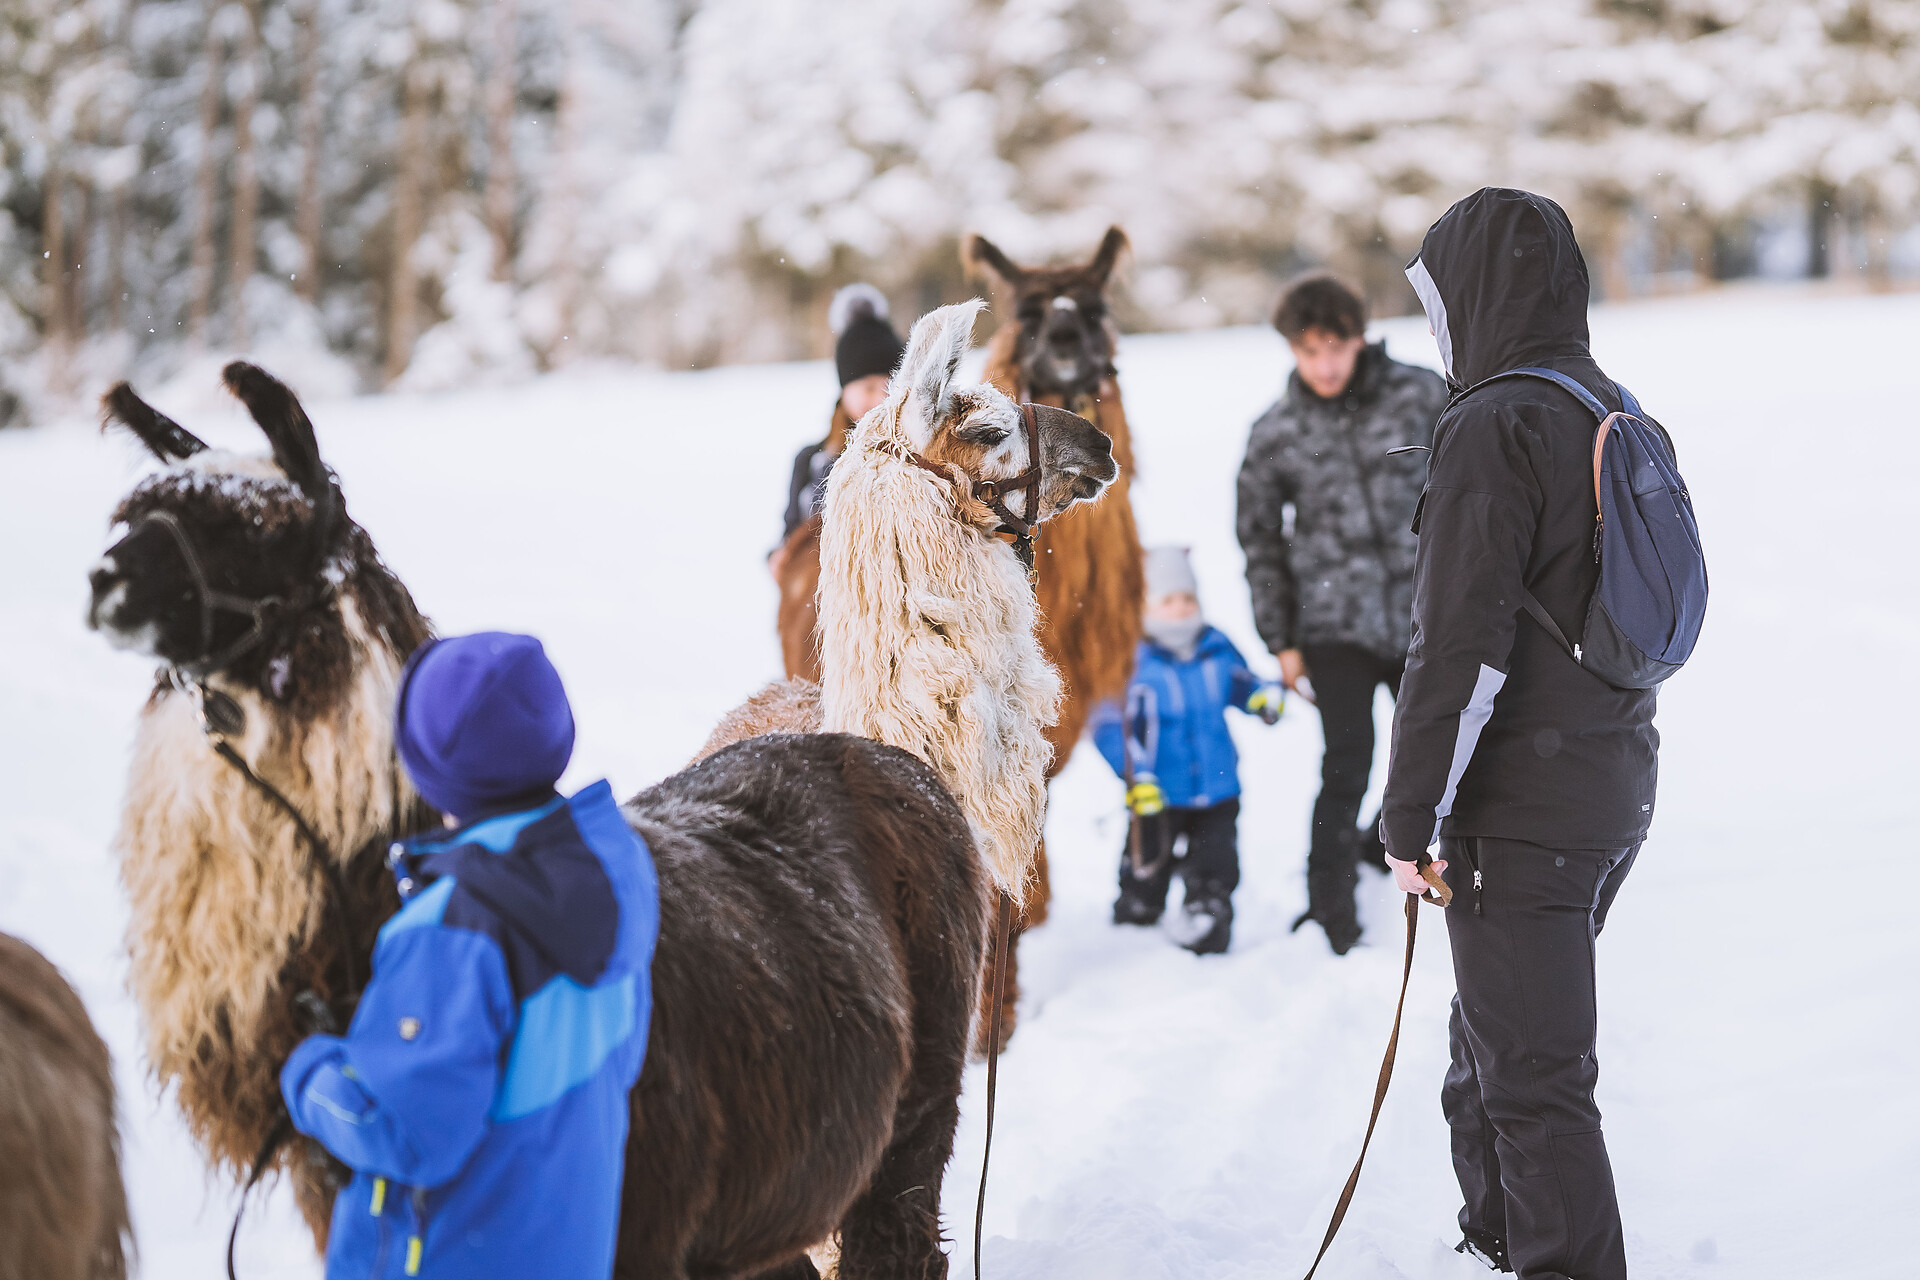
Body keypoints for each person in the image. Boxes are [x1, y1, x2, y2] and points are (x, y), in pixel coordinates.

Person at [1383, 188, 1668, 1279]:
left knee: (1537, 1081)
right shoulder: (1607, 401)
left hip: (1525, 809)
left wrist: (1409, 814)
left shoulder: (1492, 422)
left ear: (1474, 293)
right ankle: (1496, 1237)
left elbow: (1458, 648)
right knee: (1500, 1042)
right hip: (1611, 784)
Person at [281, 632, 658, 1280]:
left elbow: (408, 1134)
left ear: (431, 770)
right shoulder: (614, 878)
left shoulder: (450, 930)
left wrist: (311, 1076)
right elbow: (623, 1057)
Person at [1234, 273, 1447, 955]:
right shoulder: (1275, 431)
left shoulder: (1423, 396)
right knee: (1346, 762)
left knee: (1438, 758)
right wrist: (1282, 640)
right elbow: (1259, 538)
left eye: (1336, 348)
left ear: (1360, 339)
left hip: (1428, 614)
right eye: (1309, 351)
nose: (1324, 365)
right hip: (1333, 626)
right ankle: (1329, 908)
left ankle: (1389, 844)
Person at [1092, 547, 1281, 955]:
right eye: (1167, 600)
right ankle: (1137, 915)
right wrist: (1135, 775)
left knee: (1216, 860)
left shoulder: (1216, 645)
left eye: (1187, 599)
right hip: (1157, 791)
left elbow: (1242, 683)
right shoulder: (1131, 660)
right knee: (1148, 861)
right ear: (1144, 603)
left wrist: (1262, 697)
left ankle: (1207, 915)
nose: (1179, 609)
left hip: (1218, 786)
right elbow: (1110, 727)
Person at [771, 282, 905, 568]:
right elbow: (791, 534)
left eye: (889, 386)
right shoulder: (811, 460)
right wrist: (781, 556)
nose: (881, 398)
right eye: (868, 387)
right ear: (844, 390)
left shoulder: (912, 455)